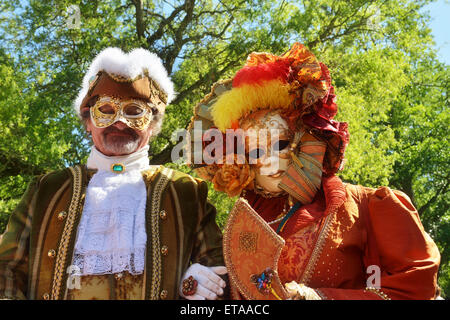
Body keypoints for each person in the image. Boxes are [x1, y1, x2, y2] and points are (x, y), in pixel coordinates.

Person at [188, 43, 441, 300]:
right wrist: (194, 283)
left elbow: (415, 288)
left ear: (306, 137)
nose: (270, 163)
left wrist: (318, 298)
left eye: (281, 145)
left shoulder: (369, 207)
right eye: (255, 153)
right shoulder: (243, 226)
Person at [0, 47, 227, 300]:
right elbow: (6, 269)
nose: (120, 122)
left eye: (134, 112)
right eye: (106, 111)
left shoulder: (186, 191)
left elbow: (223, 274)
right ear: (88, 122)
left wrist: (196, 283)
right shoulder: (47, 188)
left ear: (153, 125)